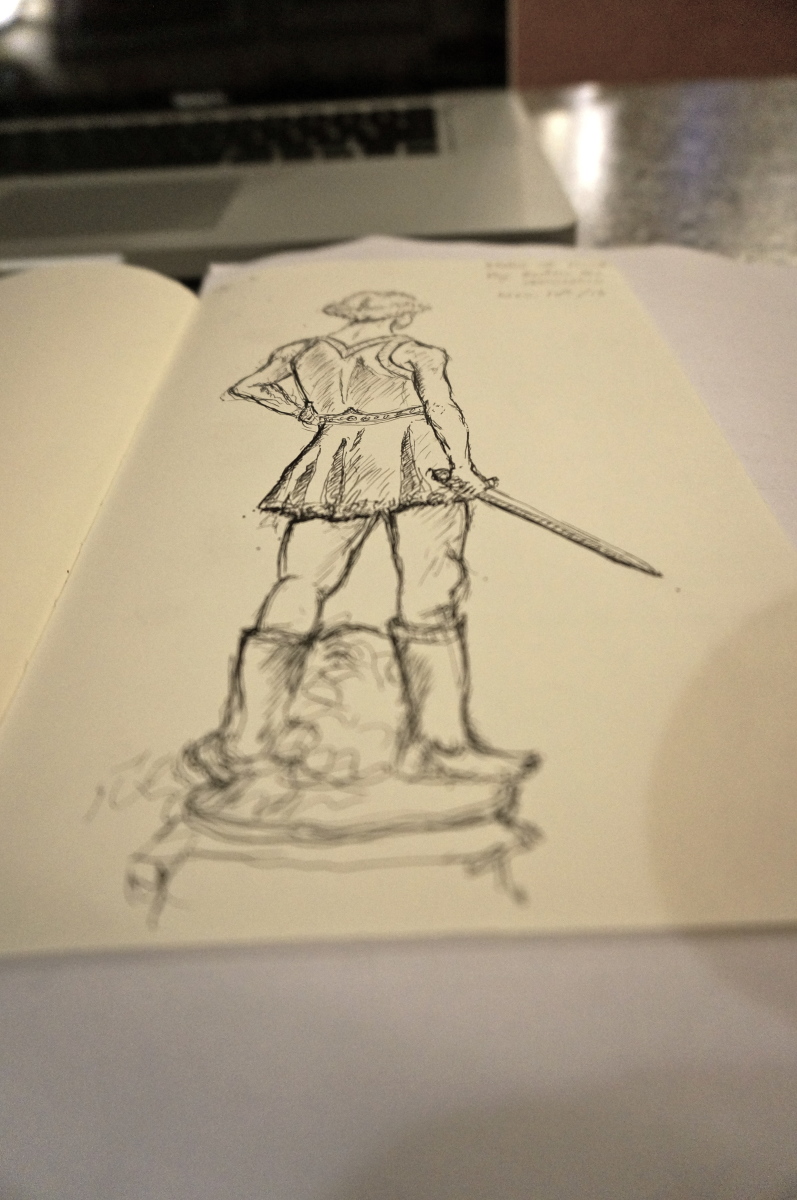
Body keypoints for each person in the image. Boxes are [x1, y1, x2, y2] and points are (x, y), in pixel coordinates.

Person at [189, 290, 538, 787]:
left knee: (300, 584)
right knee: (430, 591)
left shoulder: (303, 350)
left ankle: (248, 741)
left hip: (336, 459)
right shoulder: (415, 353)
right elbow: (440, 406)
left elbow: (249, 386)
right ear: (401, 315)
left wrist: (304, 409)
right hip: (418, 459)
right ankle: (440, 747)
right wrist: (464, 469)